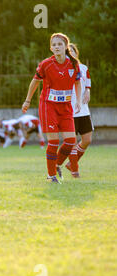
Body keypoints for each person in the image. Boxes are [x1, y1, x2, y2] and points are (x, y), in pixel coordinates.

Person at [22, 33, 82, 183]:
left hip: (66, 106)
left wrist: (79, 101)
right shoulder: (46, 64)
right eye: (54, 44)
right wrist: (27, 101)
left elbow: (78, 82)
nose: (56, 47)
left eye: (59, 44)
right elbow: (35, 82)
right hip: (48, 106)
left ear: (65, 47)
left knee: (70, 141)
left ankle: (56, 164)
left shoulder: (74, 64)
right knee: (54, 142)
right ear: (50, 48)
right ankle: (51, 176)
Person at [64, 43, 93, 178]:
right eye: (68, 52)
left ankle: (70, 164)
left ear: (76, 53)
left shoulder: (83, 68)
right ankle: (75, 171)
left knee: (87, 139)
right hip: (69, 110)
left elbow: (87, 84)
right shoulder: (63, 69)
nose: (70, 53)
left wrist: (87, 91)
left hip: (83, 109)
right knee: (72, 142)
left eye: (72, 51)